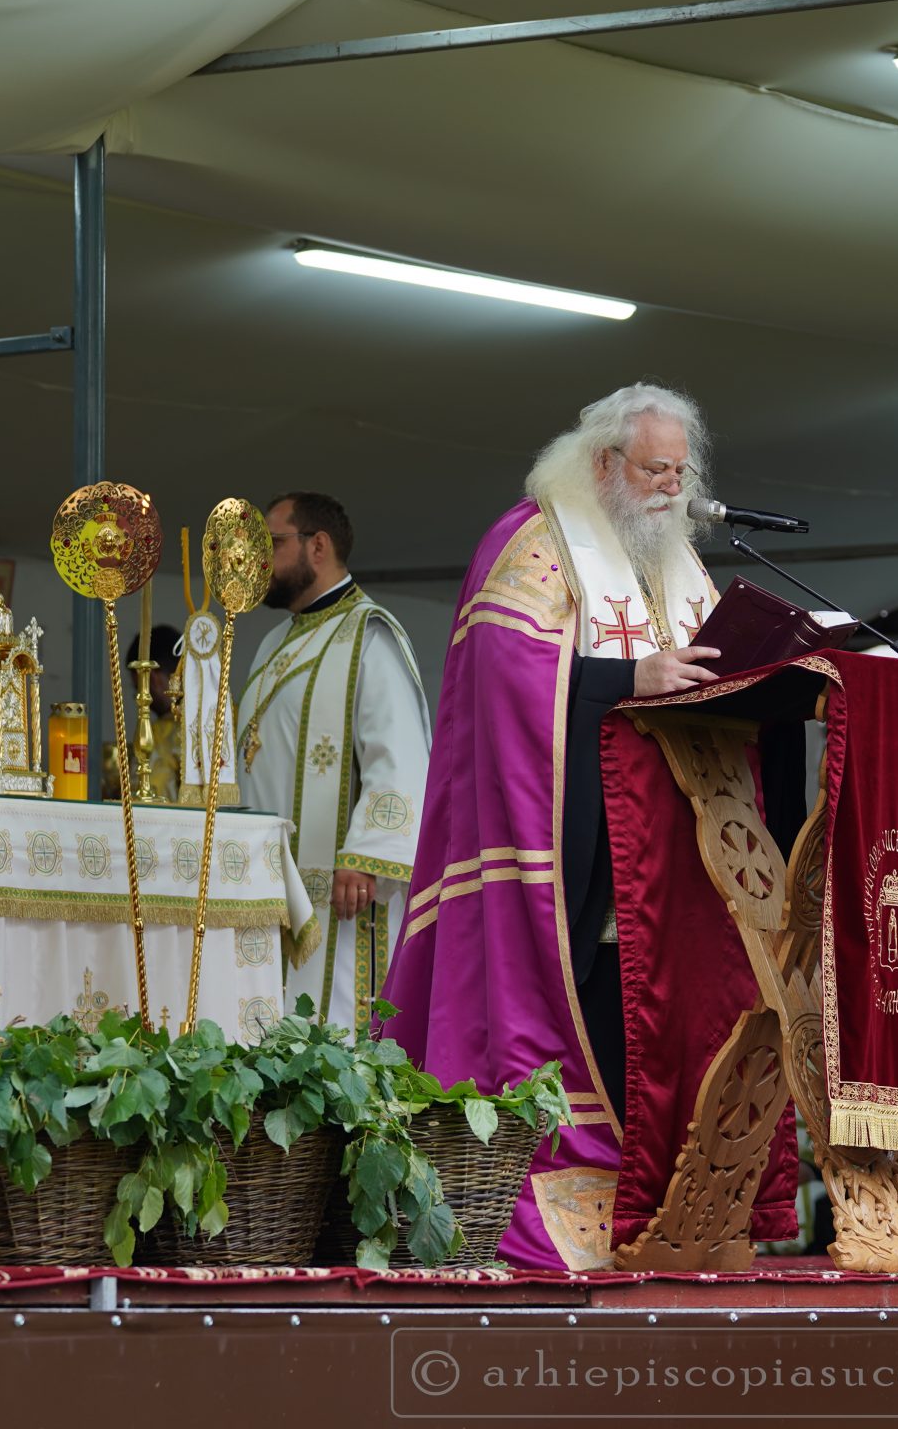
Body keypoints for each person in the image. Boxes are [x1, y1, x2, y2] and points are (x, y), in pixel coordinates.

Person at [378, 383, 725, 1271]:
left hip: (658, 836)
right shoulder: (536, 538)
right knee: (576, 993)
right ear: (606, 463)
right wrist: (627, 684)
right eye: (655, 471)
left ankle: (658, 1187)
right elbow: (507, 678)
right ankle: (563, 1187)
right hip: (565, 838)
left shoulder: (673, 559)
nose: (670, 492)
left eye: (681, 474)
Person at [232, 493, 432, 1033]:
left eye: (271, 543)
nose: (258, 559)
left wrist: (368, 853)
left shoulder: (371, 635)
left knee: (337, 1028)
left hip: (340, 888)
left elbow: (401, 756)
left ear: (317, 545)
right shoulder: (275, 641)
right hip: (272, 882)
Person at [129, 624, 182, 794]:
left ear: (151, 680)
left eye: (137, 688)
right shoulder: (232, 718)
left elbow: (144, 804)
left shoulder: (157, 736)